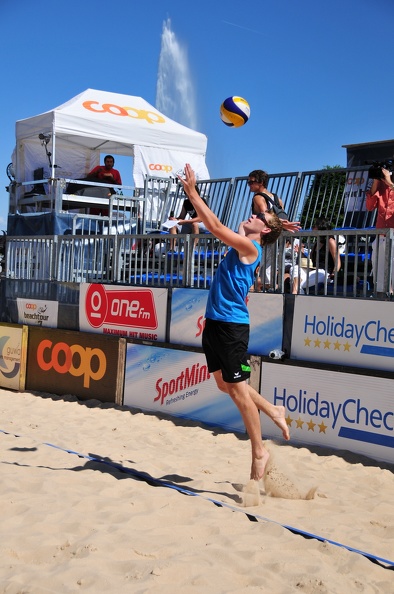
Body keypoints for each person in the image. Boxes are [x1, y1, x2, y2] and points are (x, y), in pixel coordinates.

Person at [178, 164, 290, 482]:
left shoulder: (249, 248)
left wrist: (191, 191)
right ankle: (272, 409)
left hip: (231, 327)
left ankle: (259, 453)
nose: (253, 215)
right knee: (224, 385)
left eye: (259, 218)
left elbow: (212, 225)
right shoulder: (246, 243)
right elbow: (220, 226)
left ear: (263, 233)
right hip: (215, 322)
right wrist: (280, 222)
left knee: (239, 393)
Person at [365, 167, 394, 298]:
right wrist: (376, 181)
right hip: (382, 234)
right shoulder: (382, 185)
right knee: (379, 270)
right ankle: (382, 298)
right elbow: (370, 206)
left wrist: (389, 183)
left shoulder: (388, 183)